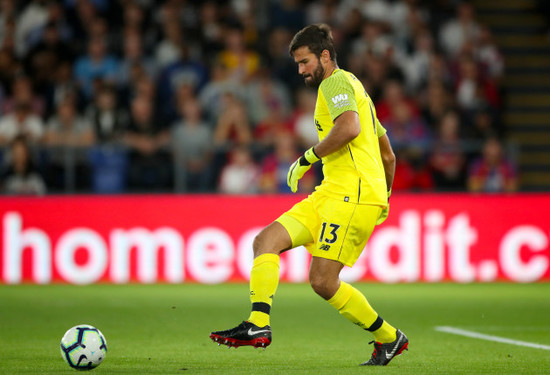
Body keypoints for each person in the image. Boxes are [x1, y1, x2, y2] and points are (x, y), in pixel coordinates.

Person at [210, 24, 408, 366]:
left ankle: (389, 337)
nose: (301, 70)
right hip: (331, 192)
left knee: (322, 281)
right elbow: (387, 155)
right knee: (265, 241)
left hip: (351, 195)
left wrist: (307, 158)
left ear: (325, 56)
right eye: (297, 64)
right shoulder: (353, 89)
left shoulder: (337, 83)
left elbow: (349, 128)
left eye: (304, 62)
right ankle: (258, 324)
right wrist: (385, 195)